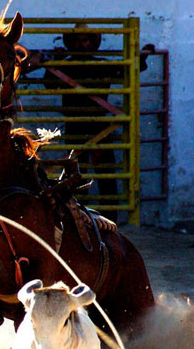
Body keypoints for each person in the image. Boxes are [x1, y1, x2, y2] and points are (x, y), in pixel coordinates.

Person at [27, 24, 155, 221]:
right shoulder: (66, 64)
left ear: (93, 43)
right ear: (71, 44)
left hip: (99, 128)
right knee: (77, 174)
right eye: (78, 40)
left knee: (105, 172)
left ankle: (110, 219)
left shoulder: (102, 64)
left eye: (86, 40)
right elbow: (49, 83)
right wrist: (57, 62)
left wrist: (142, 55)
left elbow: (126, 70)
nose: (82, 44)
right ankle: (78, 217)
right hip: (77, 126)